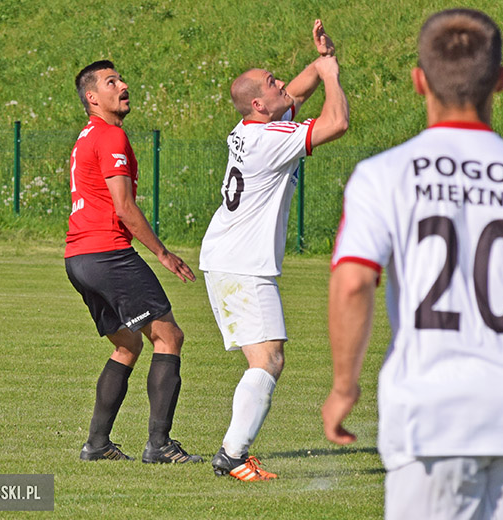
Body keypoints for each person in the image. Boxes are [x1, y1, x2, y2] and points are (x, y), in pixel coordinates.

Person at [323, 9, 503, 519]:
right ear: (500, 80)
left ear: (418, 81)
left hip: (434, 409)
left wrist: (345, 386)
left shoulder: (383, 174)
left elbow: (352, 284)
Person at [199, 20, 349, 481]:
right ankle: (232, 456)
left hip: (230, 258)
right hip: (241, 264)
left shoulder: (251, 125)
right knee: (269, 359)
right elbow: (336, 122)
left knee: (266, 358)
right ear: (260, 104)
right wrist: (332, 76)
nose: (283, 82)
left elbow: (296, 92)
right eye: (272, 82)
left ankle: (233, 452)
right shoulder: (268, 140)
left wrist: (319, 60)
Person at [65, 60, 202, 464]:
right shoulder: (109, 136)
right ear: (93, 97)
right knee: (168, 337)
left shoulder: (87, 136)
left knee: (126, 345)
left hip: (79, 257)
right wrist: (162, 253)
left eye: (121, 78)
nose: (123, 85)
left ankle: (97, 444)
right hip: (107, 253)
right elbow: (123, 207)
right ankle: (159, 446)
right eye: (111, 82)